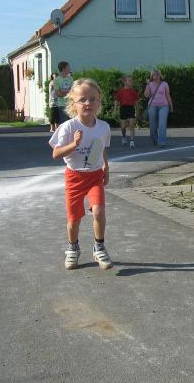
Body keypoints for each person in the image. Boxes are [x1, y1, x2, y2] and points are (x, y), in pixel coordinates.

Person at [48, 78, 113, 271]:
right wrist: (74, 144)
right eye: (82, 99)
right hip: (74, 177)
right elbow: (56, 154)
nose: (88, 103)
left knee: (99, 211)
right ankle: (73, 248)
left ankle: (99, 248)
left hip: (94, 175)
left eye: (93, 99)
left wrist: (106, 166)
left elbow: (102, 148)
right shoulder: (68, 127)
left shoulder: (103, 127)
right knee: (74, 219)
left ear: (99, 102)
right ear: (73, 103)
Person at [143, 69, 173, 148]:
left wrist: (171, 105)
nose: (155, 77)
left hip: (164, 106)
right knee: (153, 125)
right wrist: (147, 85)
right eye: (154, 75)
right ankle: (155, 140)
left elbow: (168, 95)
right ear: (152, 76)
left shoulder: (164, 84)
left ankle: (162, 142)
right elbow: (146, 95)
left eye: (157, 75)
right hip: (152, 106)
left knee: (162, 124)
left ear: (160, 76)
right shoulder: (150, 84)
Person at [114, 75, 140, 149]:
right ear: (125, 82)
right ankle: (124, 137)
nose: (131, 82)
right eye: (129, 80)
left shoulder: (133, 92)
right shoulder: (121, 91)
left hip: (131, 108)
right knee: (123, 127)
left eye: (131, 80)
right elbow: (116, 101)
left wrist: (137, 111)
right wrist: (115, 110)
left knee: (131, 125)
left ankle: (132, 141)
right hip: (123, 108)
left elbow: (136, 103)